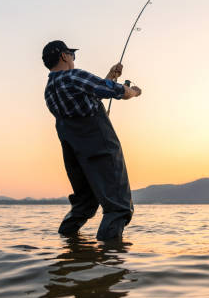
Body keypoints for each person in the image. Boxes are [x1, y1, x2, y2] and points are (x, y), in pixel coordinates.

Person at [42, 40, 142, 241]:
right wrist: (133, 92)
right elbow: (115, 91)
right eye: (72, 55)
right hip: (101, 150)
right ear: (63, 56)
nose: (73, 59)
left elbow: (90, 97)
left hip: (76, 157)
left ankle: (69, 249)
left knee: (84, 205)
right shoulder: (73, 76)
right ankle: (110, 263)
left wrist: (110, 76)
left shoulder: (50, 90)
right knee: (118, 207)